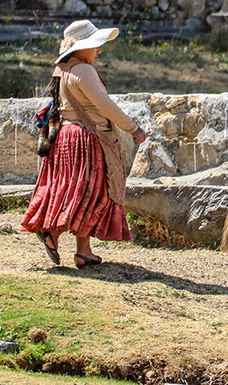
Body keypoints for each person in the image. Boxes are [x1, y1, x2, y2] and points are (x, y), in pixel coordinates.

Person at [21, 19, 148, 269]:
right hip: (87, 140)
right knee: (93, 192)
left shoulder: (62, 70)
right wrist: (133, 128)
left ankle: (83, 251)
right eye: (95, 46)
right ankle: (58, 237)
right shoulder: (85, 71)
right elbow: (105, 105)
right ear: (81, 47)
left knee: (74, 191)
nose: (99, 50)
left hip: (65, 137)